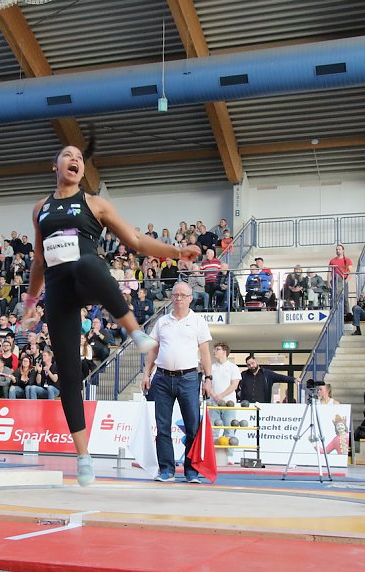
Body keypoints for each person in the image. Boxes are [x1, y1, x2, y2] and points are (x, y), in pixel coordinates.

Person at [22, 142, 200, 487]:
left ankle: (135, 331)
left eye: (79, 158)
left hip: (88, 279)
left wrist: (177, 253)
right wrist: (30, 303)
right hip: (59, 292)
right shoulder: (39, 209)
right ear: (54, 165)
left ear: (83, 172)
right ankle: (83, 457)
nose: (74, 160)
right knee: (69, 377)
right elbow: (39, 262)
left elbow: (136, 239)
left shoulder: (94, 204)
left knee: (89, 262)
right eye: (67, 156)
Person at [142, 281, 212, 483]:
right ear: (171, 298)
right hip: (162, 378)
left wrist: (208, 378)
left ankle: (191, 471)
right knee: (162, 426)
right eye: (175, 295)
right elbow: (153, 350)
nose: (178, 298)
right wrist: (147, 374)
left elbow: (205, 353)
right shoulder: (162, 322)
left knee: (192, 426)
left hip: (189, 379)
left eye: (182, 295)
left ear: (191, 298)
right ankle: (166, 470)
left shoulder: (198, 322)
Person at [207, 342, 242, 441]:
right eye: (214, 349)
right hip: (213, 404)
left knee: (229, 431)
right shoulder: (211, 367)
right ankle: (213, 456)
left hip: (229, 404)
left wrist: (221, 396)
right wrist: (215, 396)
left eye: (217, 349)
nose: (214, 351)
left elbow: (234, 385)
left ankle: (229, 455)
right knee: (212, 432)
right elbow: (207, 384)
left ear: (224, 352)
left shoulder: (233, 367)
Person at [328, 244, 353, 315]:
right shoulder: (332, 261)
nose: (338, 251)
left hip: (343, 279)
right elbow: (329, 272)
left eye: (339, 249)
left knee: (345, 297)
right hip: (335, 280)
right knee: (334, 297)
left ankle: (346, 313)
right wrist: (328, 282)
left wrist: (346, 281)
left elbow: (351, 272)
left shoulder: (347, 260)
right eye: (336, 249)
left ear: (343, 250)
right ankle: (333, 312)